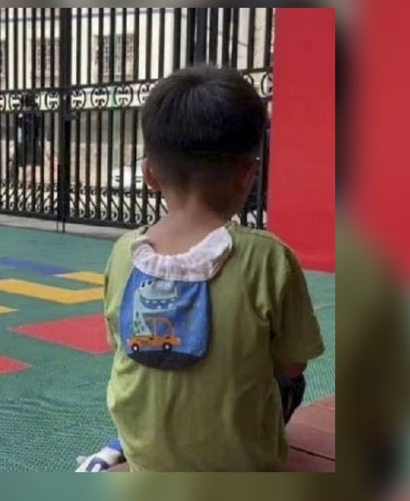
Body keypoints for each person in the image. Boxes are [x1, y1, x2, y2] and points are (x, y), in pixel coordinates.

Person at [76, 64, 324, 472]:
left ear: (150, 174)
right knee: (290, 377)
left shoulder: (123, 252)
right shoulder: (270, 258)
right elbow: (293, 364)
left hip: (147, 458)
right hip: (242, 469)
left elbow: (117, 342)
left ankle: (119, 448)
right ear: (249, 175)